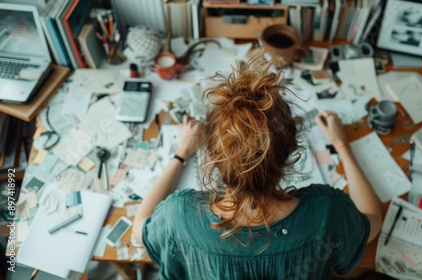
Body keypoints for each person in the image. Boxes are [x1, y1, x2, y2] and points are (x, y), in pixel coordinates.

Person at [133, 55, 382, 279]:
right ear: (289, 152)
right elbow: (373, 221)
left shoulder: (180, 216)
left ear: (213, 153)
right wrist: (341, 144)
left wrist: (180, 154)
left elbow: (139, 229)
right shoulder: (327, 213)